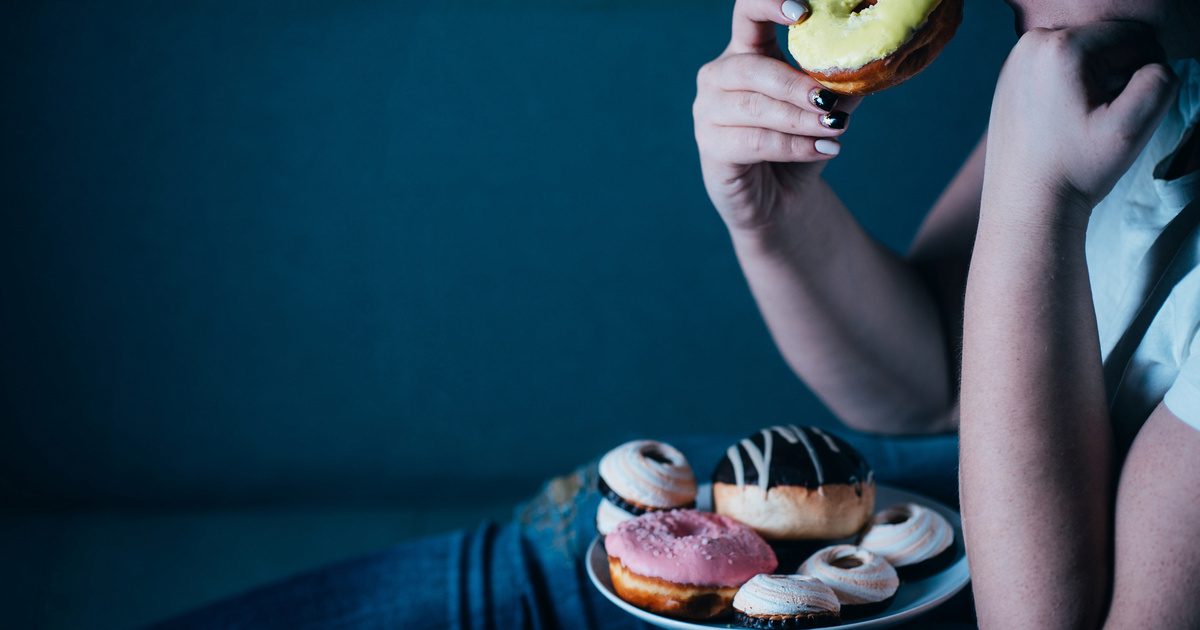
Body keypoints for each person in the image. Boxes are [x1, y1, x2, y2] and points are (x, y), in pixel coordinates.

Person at [156, 0, 1200, 627]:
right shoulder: (1134, 69)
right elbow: (927, 380)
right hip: (625, 556)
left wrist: (1034, 196)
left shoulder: (1066, 82)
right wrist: (771, 213)